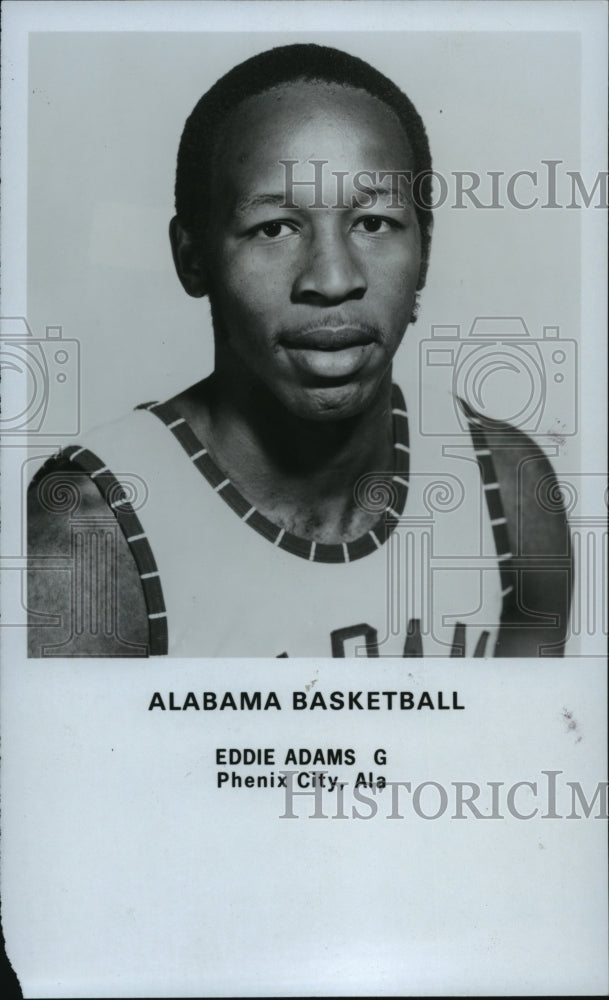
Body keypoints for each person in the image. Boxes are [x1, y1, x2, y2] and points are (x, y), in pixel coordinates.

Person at [27, 43, 572, 658]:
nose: (333, 278)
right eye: (275, 228)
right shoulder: (91, 535)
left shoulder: (506, 485)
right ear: (193, 258)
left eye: (374, 222)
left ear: (426, 248)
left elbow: (532, 748)